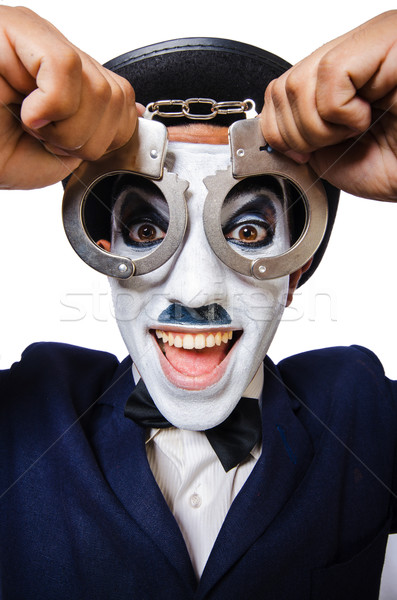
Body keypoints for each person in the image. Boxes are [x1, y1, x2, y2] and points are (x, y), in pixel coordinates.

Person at [0, 5, 396, 599]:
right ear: (105, 255)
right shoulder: (27, 412)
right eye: (146, 232)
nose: (195, 294)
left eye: (249, 234)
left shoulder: (360, 410)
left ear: (297, 270)